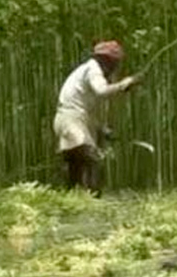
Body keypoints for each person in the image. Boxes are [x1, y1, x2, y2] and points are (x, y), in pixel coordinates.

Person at [53, 41, 138, 193]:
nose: (115, 68)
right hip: (70, 119)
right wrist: (123, 84)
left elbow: (85, 108)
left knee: (76, 164)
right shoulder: (93, 69)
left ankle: (71, 198)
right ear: (107, 61)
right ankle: (94, 198)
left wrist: (101, 129)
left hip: (68, 118)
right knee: (92, 159)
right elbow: (102, 91)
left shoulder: (86, 69)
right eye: (115, 63)